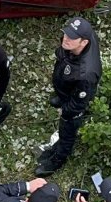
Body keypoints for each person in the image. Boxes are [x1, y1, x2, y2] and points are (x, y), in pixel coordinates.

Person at [35, 17, 100, 176]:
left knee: (67, 131)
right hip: (67, 85)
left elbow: (78, 104)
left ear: (83, 42)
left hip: (74, 101)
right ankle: (62, 97)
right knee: (64, 92)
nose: (65, 39)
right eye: (66, 34)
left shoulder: (86, 74)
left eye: (71, 37)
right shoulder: (75, 43)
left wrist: (65, 112)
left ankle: (58, 158)